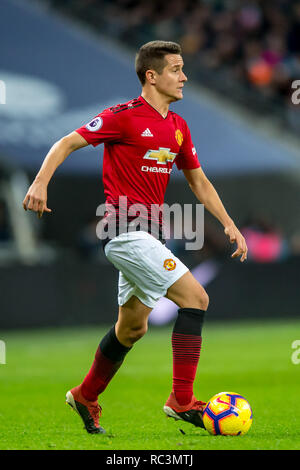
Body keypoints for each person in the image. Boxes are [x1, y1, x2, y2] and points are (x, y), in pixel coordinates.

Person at [23, 40, 247, 434]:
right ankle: (181, 400)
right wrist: (40, 184)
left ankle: (85, 395)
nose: (184, 77)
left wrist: (228, 222)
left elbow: (198, 180)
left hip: (150, 235)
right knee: (196, 298)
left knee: (132, 328)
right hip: (124, 232)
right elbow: (65, 142)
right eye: (176, 69)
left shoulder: (178, 127)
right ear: (152, 75)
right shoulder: (123, 117)